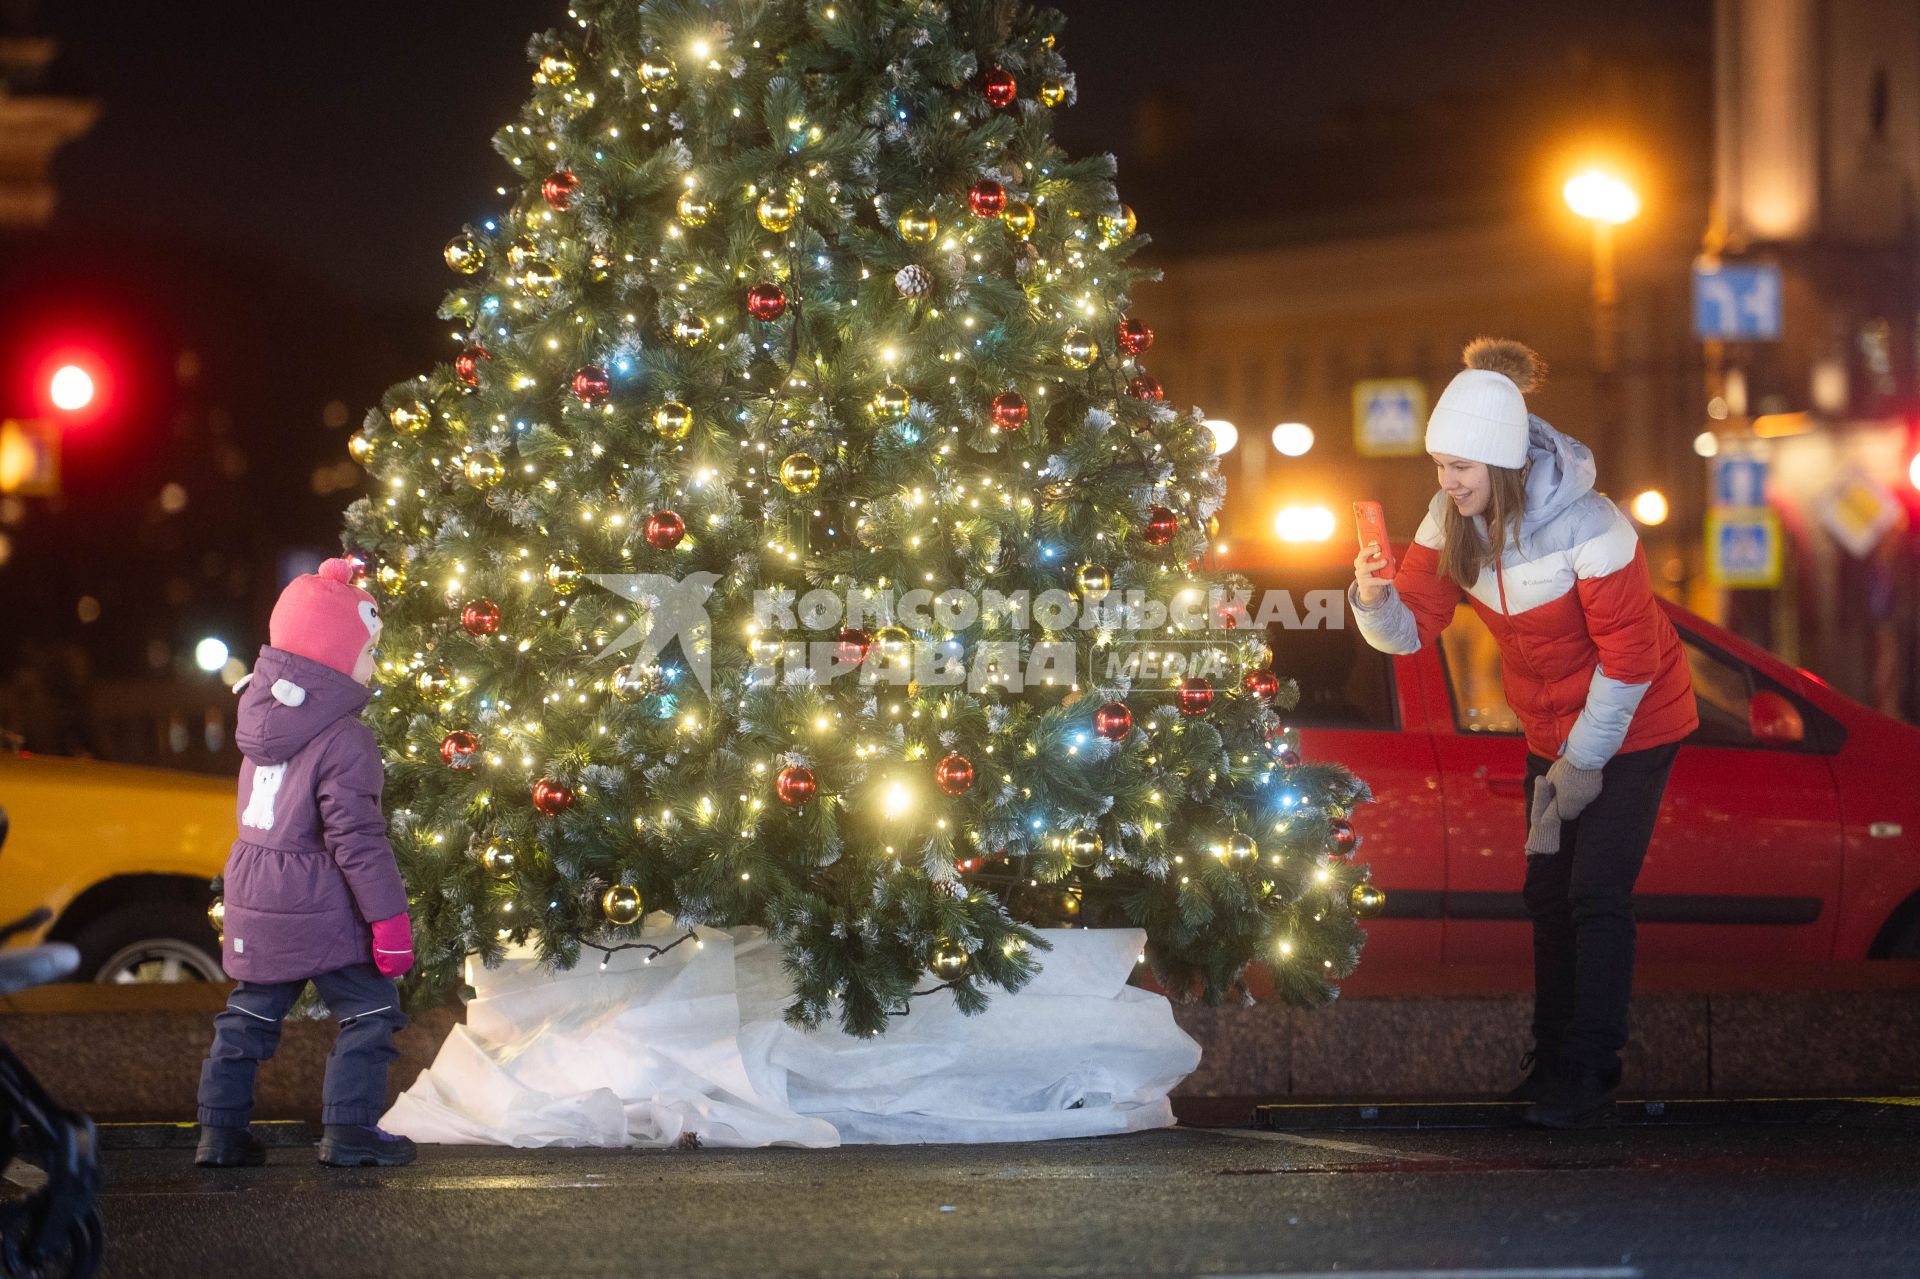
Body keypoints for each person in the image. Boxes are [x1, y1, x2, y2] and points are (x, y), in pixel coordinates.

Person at [1348, 339, 1697, 1128]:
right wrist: (1373, 597)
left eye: (1461, 468)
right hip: (1549, 724)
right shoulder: (1451, 520)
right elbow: (1412, 630)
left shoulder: (1592, 526)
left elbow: (1633, 660)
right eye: (1440, 466)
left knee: (1594, 890)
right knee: (1544, 890)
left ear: (1502, 462)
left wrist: (1582, 763)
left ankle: (1589, 1071)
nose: (1447, 482)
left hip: (1635, 722)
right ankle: (1550, 1059)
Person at [194, 557, 419, 1168]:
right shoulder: (344, 737)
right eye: (369, 652)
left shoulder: (261, 719)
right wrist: (389, 920)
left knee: (248, 1013)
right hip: (319, 904)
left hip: (256, 889)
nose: (374, 667)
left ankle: (219, 1133)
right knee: (371, 1012)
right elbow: (358, 840)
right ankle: (348, 1133)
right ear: (334, 655)